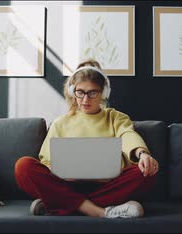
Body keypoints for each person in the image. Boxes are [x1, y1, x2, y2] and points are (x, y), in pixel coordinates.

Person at [14, 59, 159, 218]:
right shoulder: (61, 123)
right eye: (80, 92)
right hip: (67, 186)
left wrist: (142, 154)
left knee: (147, 172)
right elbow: (46, 161)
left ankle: (57, 204)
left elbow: (127, 135)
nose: (85, 99)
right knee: (23, 166)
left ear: (103, 93)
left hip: (108, 186)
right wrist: (62, 174)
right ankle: (100, 211)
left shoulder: (115, 117)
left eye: (92, 92)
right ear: (72, 91)